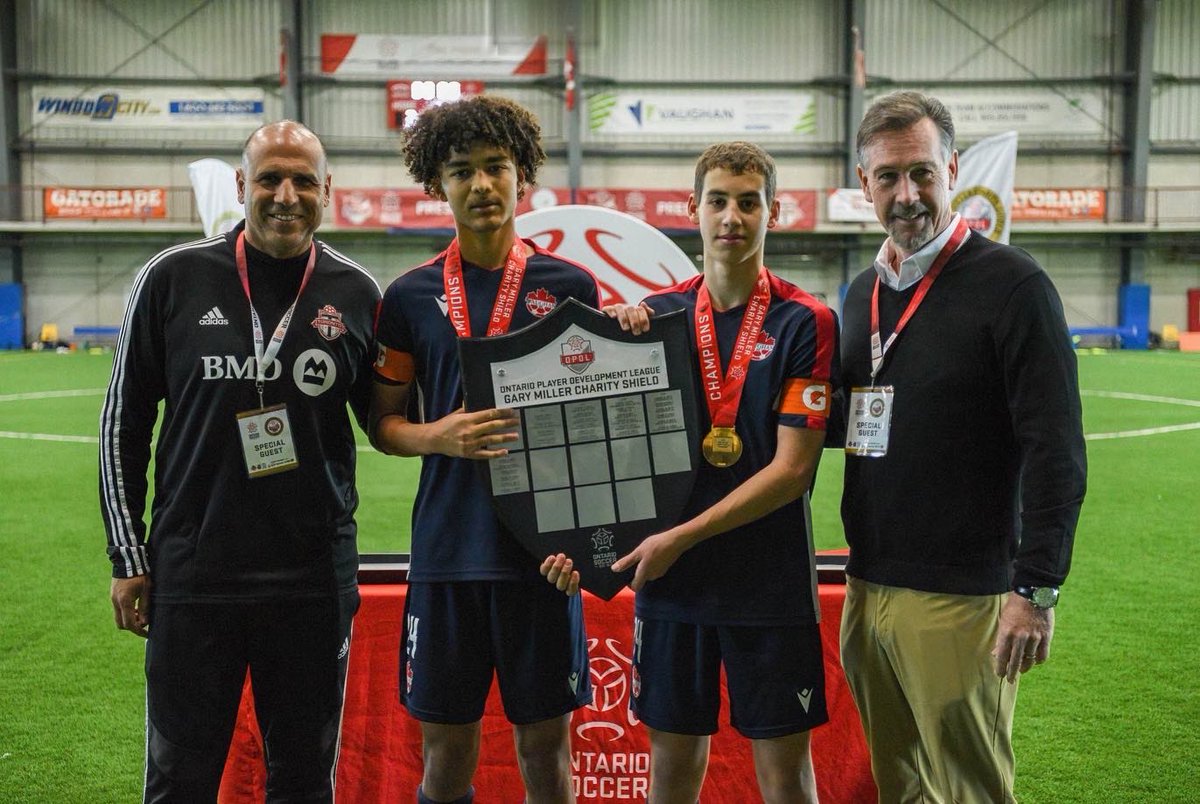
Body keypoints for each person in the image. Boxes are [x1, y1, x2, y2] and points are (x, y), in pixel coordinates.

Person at [544, 141, 839, 803]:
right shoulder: (654, 317)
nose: (732, 216)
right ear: (692, 210)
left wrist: (679, 536)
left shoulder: (806, 322)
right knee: (670, 776)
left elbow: (792, 473)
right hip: (672, 585)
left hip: (769, 584)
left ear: (775, 212)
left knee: (787, 779)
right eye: (718, 201)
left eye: (748, 202)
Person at [99, 121, 382, 801]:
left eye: (303, 181)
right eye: (269, 179)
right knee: (179, 781)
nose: (286, 195)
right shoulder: (172, 279)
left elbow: (396, 423)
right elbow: (122, 424)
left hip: (312, 583)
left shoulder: (357, 293)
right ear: (240, 186)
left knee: (305, 782)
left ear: (327, 192)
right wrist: (128, 556)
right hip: (196, 580)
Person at [836, 90, 1087, 802]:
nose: (906, 194)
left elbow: (1057, 450)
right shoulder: (860, 294)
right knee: (899, 786)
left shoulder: (1014, 285)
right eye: (888, 176)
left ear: (951, 170)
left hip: (962, 596)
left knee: (969, 790)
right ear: (864, 184)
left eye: (922, 173)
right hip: (868, 587)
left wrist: (1035, 589)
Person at [369, 96, 597, 804]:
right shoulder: (408, 297)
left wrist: (587, 541)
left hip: (544, 559)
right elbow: (382, 425)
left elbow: (596, 429)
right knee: (446, 756)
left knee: (546, 753)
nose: (481, 185)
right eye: (461, 171)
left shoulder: (570, 288)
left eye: (496, 167)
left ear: (522, 174)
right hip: (447, 555)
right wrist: (440, 436)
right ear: (438, 185)